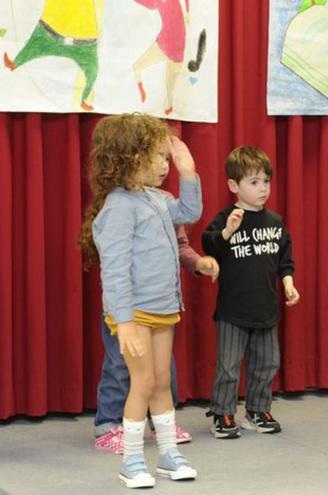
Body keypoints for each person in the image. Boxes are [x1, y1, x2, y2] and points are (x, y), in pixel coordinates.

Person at [80, 113, 202, 488]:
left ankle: (167, 453)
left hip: (163, 308)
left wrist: (188, 172)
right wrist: (126, 321)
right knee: (142, 383)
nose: (165, 163)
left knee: (162, 381)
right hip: (135, 313)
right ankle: (132, 460)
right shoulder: (118, 207)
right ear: (133, 158)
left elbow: (190, 212)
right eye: (159, 156)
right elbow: (114, 270)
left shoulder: (157, 198)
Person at [94, 221, 218, 454]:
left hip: (157, 306)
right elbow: (114, 262)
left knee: (162, 370)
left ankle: (160, 422)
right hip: (127, 307)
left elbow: (179, 246)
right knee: (120, 364)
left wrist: (198, 262)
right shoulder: (119, 206)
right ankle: (108, 424)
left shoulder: (164, 205)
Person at [201, 146, 300, 439]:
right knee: (229, 366)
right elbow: (209, 246)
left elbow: (285, 259)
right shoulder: (226, 218)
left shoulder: (275, 221)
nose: (263, 188)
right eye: (254, 182)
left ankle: (257, 411)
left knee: (267, 363)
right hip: (233, 310)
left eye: (266, 181)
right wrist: (227, 232)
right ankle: (223, 413)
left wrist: (288, 283)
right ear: (234, 185)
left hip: (266, 308)